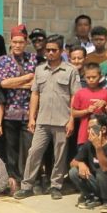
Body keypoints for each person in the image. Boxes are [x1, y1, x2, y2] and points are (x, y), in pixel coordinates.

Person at [19, 41, 80, 199]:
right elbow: (35, 94)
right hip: (42, 120)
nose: (50, 53)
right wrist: (31, 117)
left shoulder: (70, 71)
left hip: (62, 120)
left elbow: (75, 96)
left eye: (54, 50)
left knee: (59, 155)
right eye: (48, 50)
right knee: (34, 152)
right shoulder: (40, 70)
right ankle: (27, 186)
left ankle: (55, 186)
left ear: (61, 51)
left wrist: (71, 119)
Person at [0, 29, 37, 180]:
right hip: (10, 112)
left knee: (29, 148)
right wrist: (26, 78)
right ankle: (14, 180)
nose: (17, 45)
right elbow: (3, 82)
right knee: (11, 150)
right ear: (10, 42)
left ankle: (27, 179)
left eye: (21, 42)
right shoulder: (4, 60)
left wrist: (14, 82)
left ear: (26, 43)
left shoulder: (32, 59)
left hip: (28, 112)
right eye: (15, 42)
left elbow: (34, 83)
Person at [68, 116, 107, 210]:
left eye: (92, 128)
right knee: (73, 172)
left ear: (103, 129)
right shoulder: (88, 144)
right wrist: (80, 164)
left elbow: (105, 168)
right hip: (97, 182)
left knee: (101, 172)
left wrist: (98, 147)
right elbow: (72, 162)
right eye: (88, 129)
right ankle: (92, 197)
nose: (89, 131)